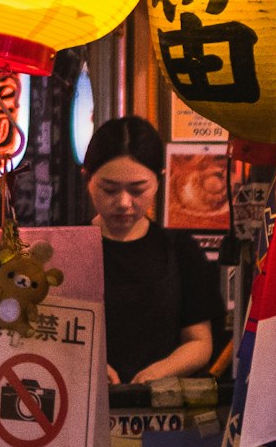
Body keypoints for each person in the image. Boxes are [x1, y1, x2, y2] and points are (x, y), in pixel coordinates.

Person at [82, 116, 228, 388]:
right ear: (87, 179)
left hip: (159, 408)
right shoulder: (68, 248)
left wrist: (157, 373)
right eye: (109, 189)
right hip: (80, 401)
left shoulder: (180, 250)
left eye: (138, 190)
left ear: (160, 181)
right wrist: (86, 361)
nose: (124, 203)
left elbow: (199, 341)